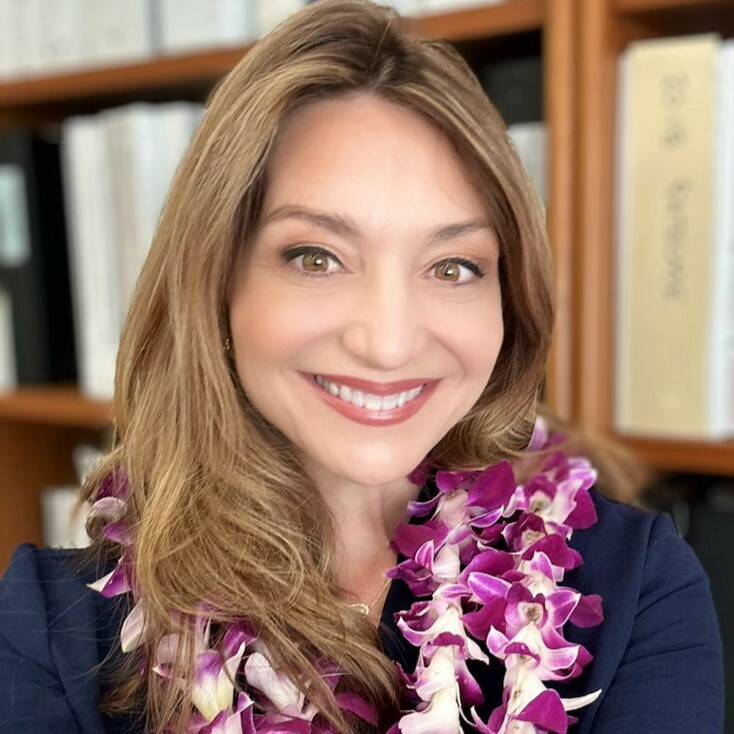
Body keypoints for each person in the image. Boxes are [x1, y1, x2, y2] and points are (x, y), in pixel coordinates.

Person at [0, 1, 724, 733]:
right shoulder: (53, 632)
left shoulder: (635, 588)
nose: (387, 343)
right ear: (216, 283)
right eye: (316, 258)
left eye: (453, 266)